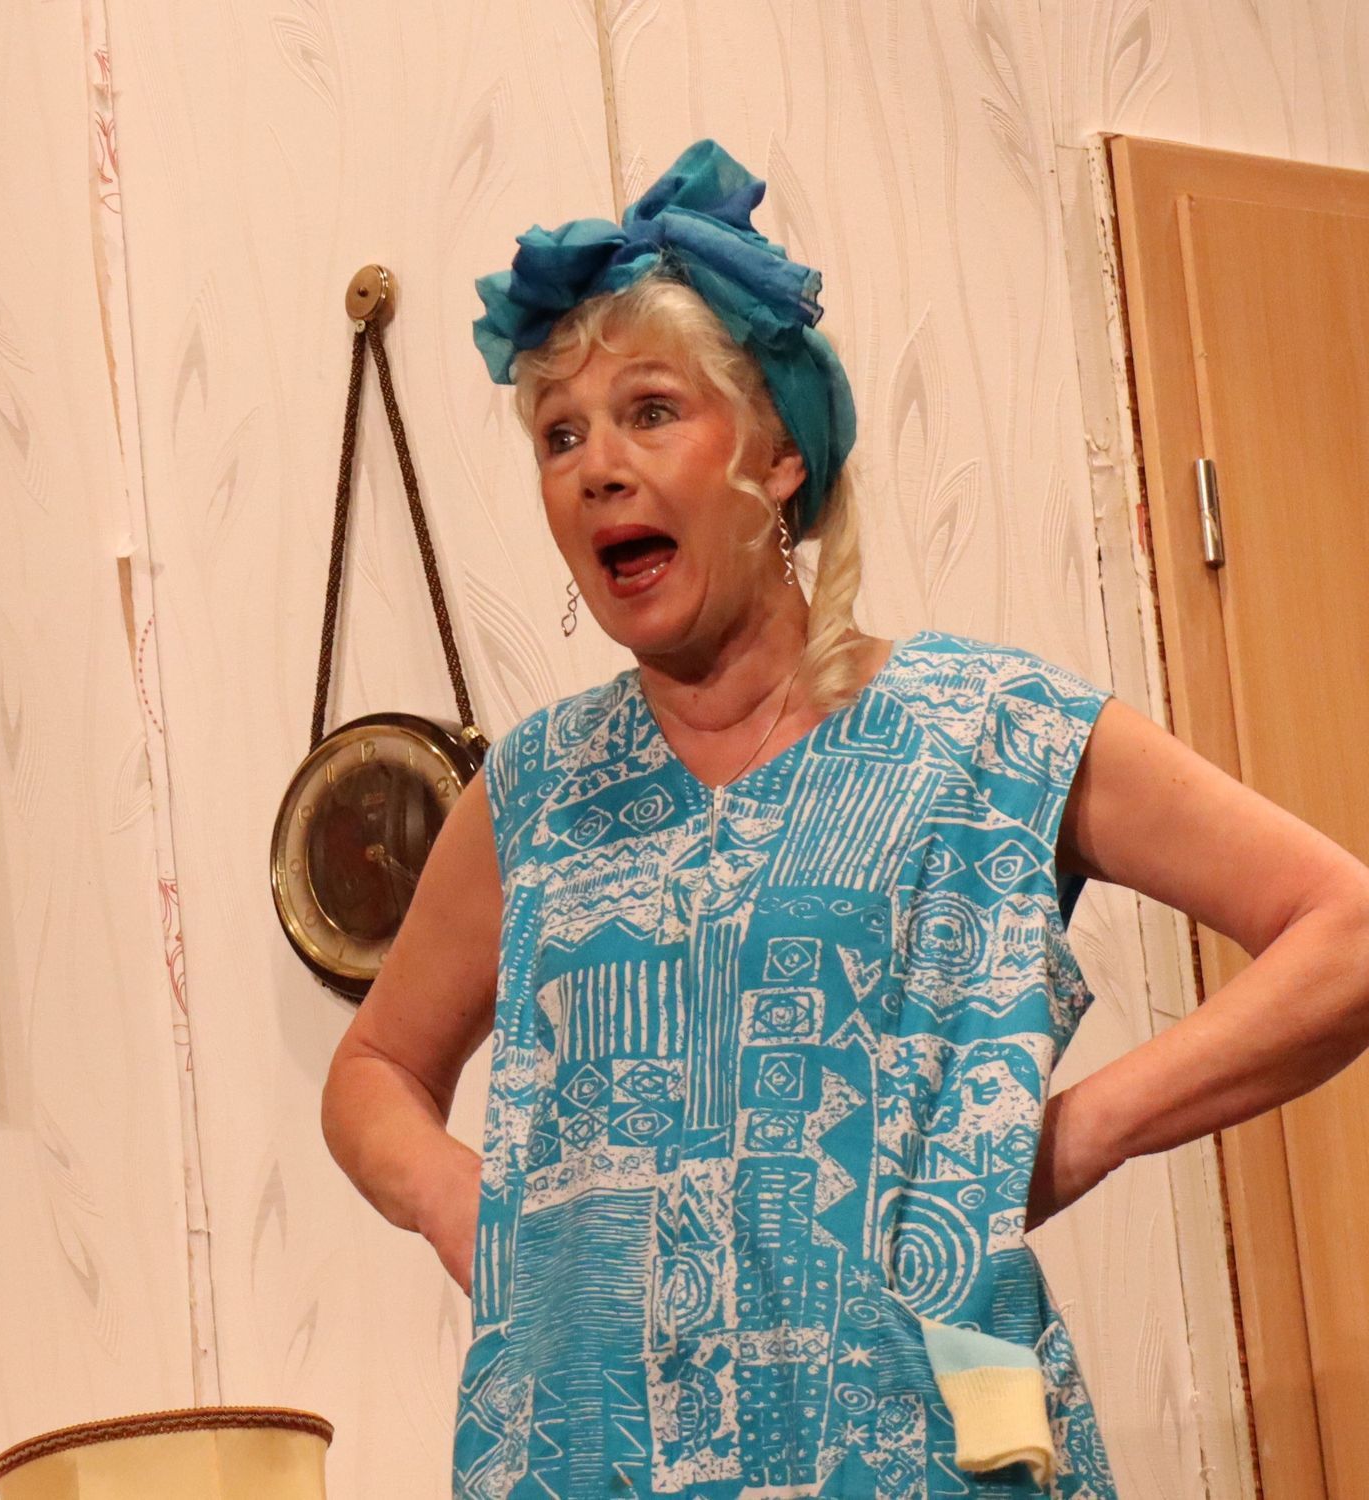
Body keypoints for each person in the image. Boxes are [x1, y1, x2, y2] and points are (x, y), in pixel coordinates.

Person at [321, 138, 1369, 1498]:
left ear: (777, 460)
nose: (594, 468)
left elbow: (1342, 932)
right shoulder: (535, 793)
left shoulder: (984, 733)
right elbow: (372, 1073)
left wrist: (1066, 1135)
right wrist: (465, 1207)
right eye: (559, 435)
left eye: (651, 411)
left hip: (922, 1449)